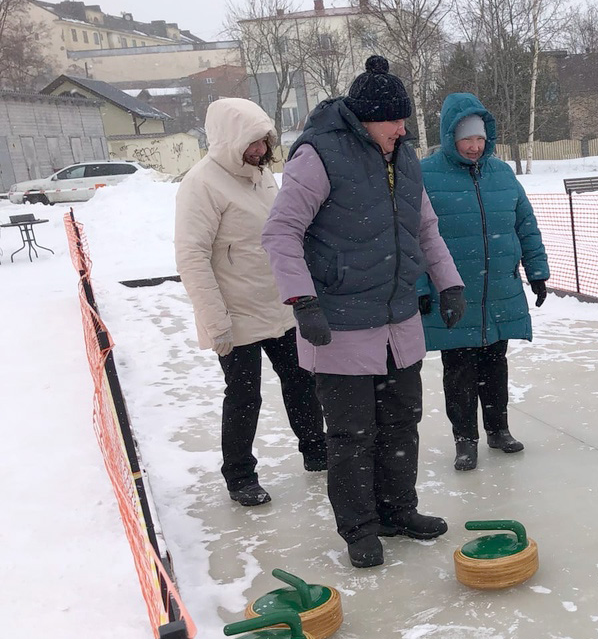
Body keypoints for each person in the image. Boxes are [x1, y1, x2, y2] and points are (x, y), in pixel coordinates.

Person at [262, 56, 465, 568]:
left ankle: (400, 510)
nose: (404, 129)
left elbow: (426, 229)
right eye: (395, 120)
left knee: (402, 423)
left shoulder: (405, 156)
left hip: (398, 317)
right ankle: (359, 527)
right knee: (352, 435)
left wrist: (450, 283)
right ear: (367, 118)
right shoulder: (320, 155)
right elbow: (280, 232)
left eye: (405, 120)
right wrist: (302, 300)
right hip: (339, 321)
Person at [174, 97, 326, 508]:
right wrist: (215, 321)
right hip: (234, 314)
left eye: (265, 142)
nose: (261, 151)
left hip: (278, 304)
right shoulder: (201, 183)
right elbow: (192, 255)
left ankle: (316, 450)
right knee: (244, 396)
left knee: (301, 382)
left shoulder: (261, 176)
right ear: (228, 140)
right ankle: (240, 475)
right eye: (252, 143)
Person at [418, 92, 550, 472]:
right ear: (450, 137)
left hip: (499, 290)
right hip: (455, 293)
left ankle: (498, 430)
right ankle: (465, 440)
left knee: (495, 364)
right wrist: (421, 288)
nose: (475, 146)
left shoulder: (502, 173)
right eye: (466, 139)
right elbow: (411, 238)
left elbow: (525, 224)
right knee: (459, 370)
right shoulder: (426, 174)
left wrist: (537, 271)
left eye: (480, 139)